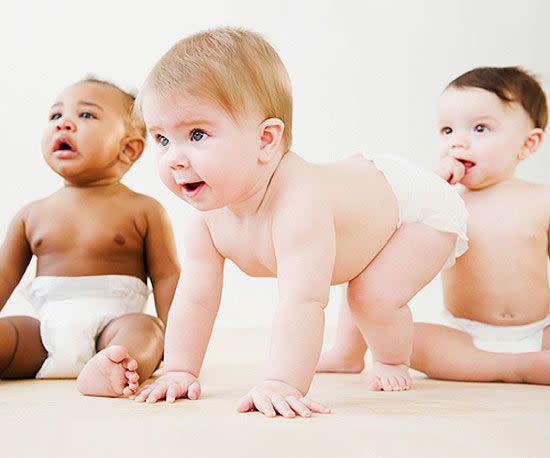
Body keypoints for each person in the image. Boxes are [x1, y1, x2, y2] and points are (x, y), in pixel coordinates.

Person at [132, 27, 467, 417]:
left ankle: (392, 359)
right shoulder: (207, 219)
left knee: (370, 294)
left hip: (412, 207)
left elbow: (303, 300)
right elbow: (196, 298)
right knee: (354, 276)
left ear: (266, 140)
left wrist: (283, 381)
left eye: (197, 134)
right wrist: (179, 369)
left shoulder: (298, 204)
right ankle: (345, 354)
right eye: (162, 139)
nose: (173, 158)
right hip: (357, 198)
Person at [319, 66, 550, 387]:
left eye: (480, 128)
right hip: (465, 335)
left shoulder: (542, 199)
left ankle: (523, 360)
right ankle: (520, 367)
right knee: (403, 338)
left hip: (540, 330)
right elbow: (378, 266)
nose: (458, 143)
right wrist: (431, 187)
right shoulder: (439, 203)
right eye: (447, 130)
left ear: (528, 144)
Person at [0, 78, 180, 398]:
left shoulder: (143, 210)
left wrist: (180, 346)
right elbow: (3, 276)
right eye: (55, 116)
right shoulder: (31, 215)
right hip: (41, 337)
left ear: (129, 148)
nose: (64, 124)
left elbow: (167, 276)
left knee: (147, 329)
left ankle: (112, 370)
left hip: (112, 333)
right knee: (8, 335)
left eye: (86, 115)